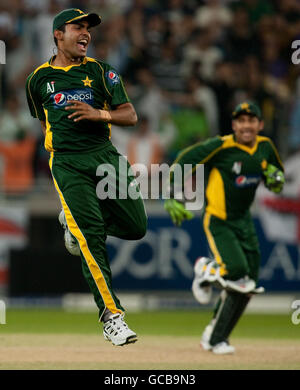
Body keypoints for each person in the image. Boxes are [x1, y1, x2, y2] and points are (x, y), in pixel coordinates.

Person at [25, 8, 147, 346]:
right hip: (68, 163)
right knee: (92, 239)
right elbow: (44, 123)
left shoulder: (102, 72)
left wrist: (99, 114)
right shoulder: (38, 80)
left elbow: (130, 114)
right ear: (57, 35)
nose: (85, 33)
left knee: (137, 227)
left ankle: (73, 221)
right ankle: (112, 317)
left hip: (105, 157)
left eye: (88, 28)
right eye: (77, 27)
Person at [164, 101, 285, 354]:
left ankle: (215, 338)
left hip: (245, 221)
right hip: (219, 220)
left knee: (247, 286)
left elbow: (276, 180)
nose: (246, 126)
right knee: (237, 271)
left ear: (260, 125)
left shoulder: (266, 147)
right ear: (234, 125)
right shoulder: (221, 146)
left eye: (251, 120)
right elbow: (186, 158)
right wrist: (172, 193)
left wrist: (275, 179)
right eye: (241, 121)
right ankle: (205, 268)